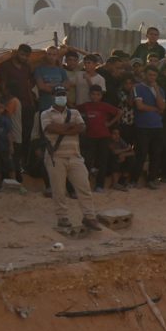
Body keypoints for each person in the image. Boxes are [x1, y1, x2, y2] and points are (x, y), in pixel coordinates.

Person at [39, 85, 98, 233]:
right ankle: (63, 217)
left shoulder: (75, 112)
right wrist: (71, 126)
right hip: (56, 157)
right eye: (59, 94)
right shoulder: (45, 114)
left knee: (84, 187)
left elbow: (82, 128)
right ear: (53, 96)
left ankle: (89, 216)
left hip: (75, 156)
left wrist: (62, 127)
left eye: (63, 94)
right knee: (59, 190)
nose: (62, 97)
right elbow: (51, 129)